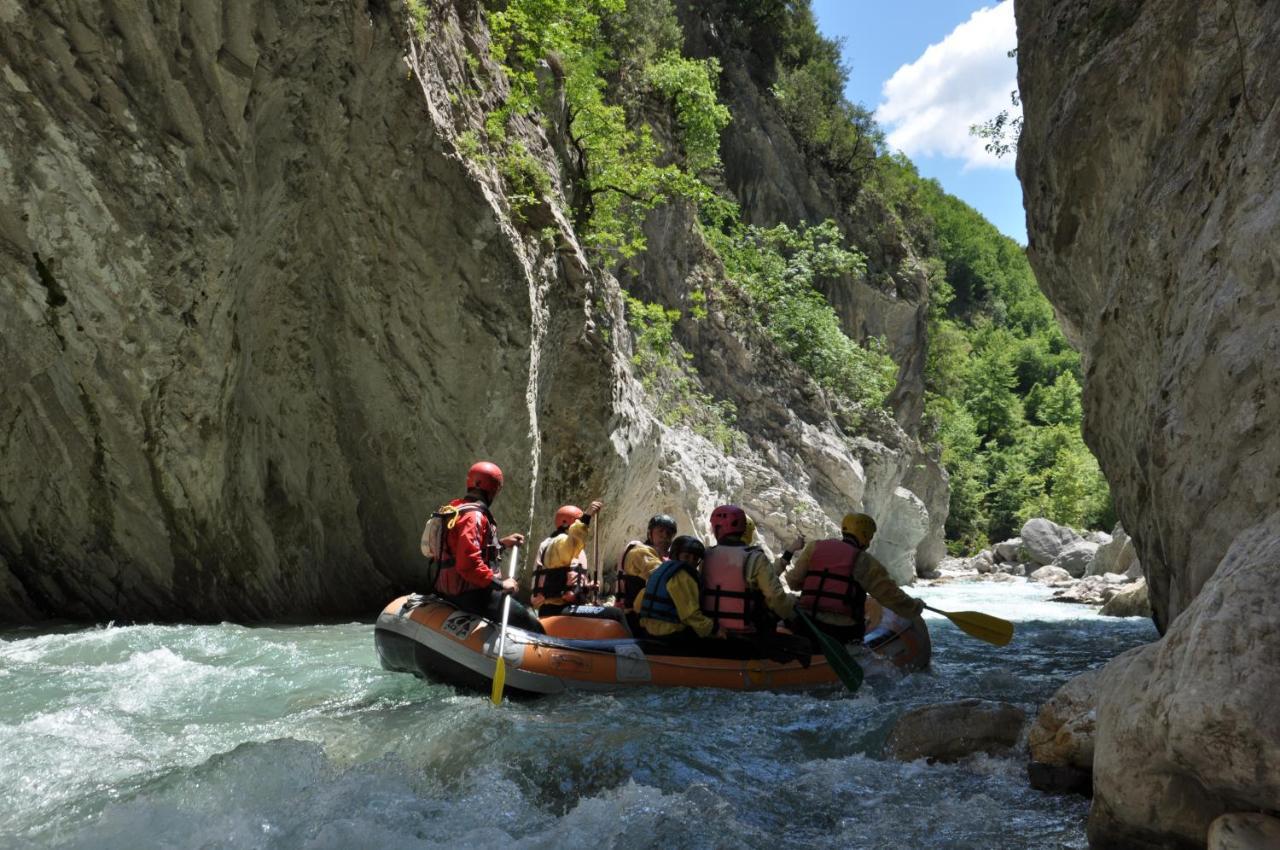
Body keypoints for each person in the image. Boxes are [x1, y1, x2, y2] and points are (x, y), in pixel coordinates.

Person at [425, 460, 544, 634]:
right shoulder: (474, 516)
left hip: (447, 590)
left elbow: (466, 550)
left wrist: (503, 543)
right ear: (493, 489)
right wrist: (500, 584)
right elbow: (468, 565)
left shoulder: (457, 509)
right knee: (533, 625)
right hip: (474, 595)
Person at [784, 512, 925, 644]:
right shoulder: (864, 561)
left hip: (805, 623)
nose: (869, 541)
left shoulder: (814, 547)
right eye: (869, 537)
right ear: (865, 535)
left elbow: (792, 582)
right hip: (841, 631)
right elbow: (891, 597)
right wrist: (916, 606)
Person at [700, 504, 798, 635]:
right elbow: (776, 597)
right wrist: (793, 612)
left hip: (711, 630)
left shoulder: (705, 555)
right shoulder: (755, 557)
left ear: (718, 528)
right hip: (746, 633)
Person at [635, 535, 716, 644]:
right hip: (670, 634)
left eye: (695, 559)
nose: (691, 562)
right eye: (686, 556)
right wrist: (714, 628)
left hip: (647, 631)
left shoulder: (659, 570)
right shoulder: (682, 575)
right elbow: (690, 614)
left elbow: (637, 604)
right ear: (676, 555)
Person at [530, 500, 603, 616]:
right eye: (577, 522)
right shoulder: (559, 542)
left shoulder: (556, 543)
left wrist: (587, 586)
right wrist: (587, 516)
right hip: (558, 608)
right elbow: (575, 538)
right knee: (615, 614)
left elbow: (564, 577)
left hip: (562, 607)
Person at [614, 514, 677, 610]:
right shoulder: (641, 551)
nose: (665, 536)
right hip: (631, 614)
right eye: (660, 531)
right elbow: (663, 578)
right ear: (650, 534)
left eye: (669, 533)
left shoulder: (658, 556)